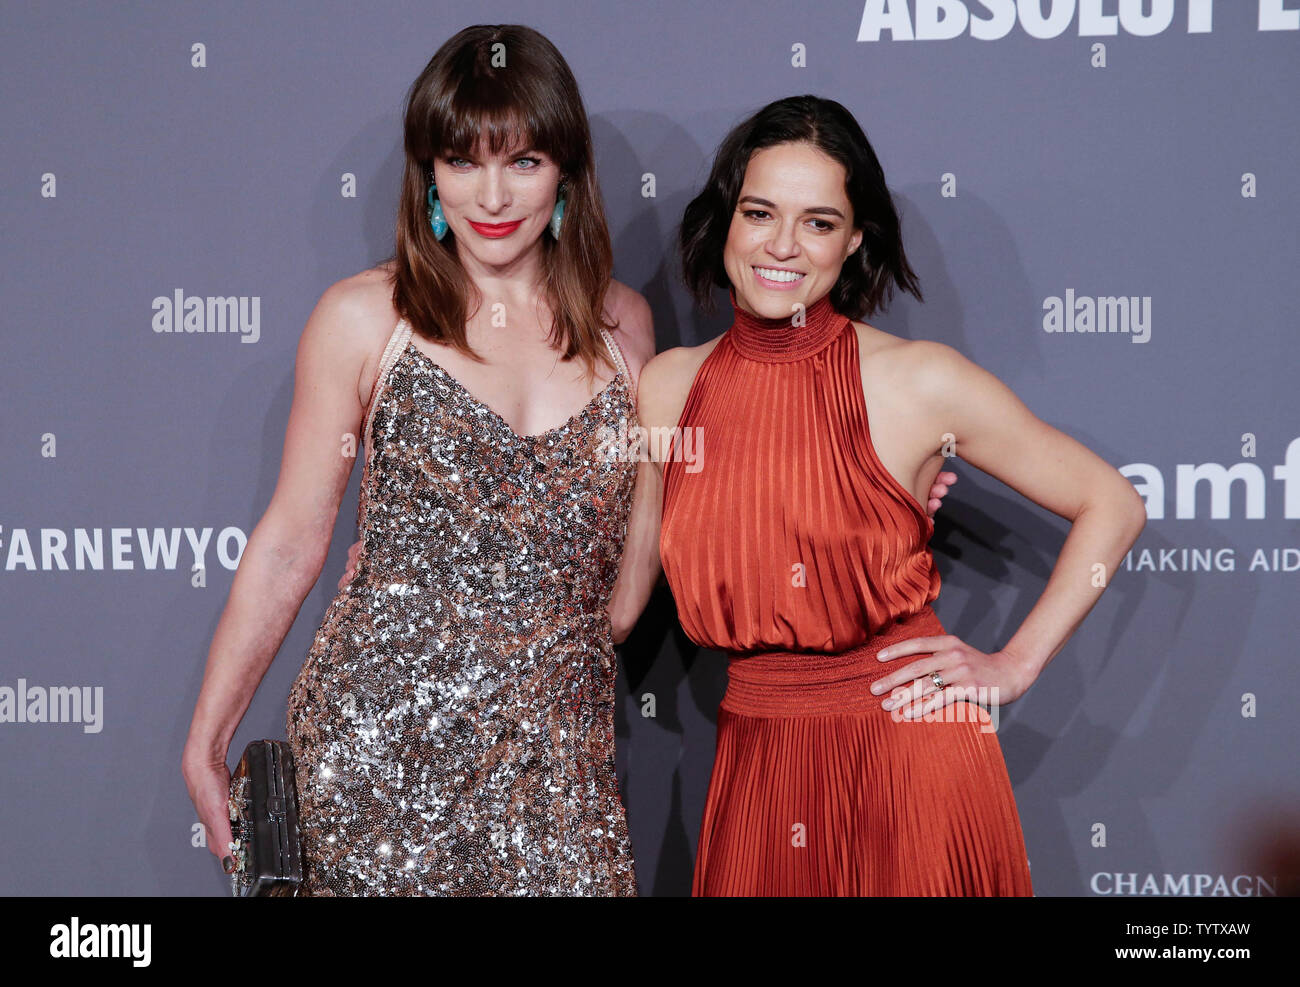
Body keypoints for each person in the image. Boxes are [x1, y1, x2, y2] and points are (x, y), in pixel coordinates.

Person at [181, 24, 661, 896]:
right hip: (379, 754)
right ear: (429, 174)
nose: (491, 194)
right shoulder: (368, 317)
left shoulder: (622, 327)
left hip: (559, 775)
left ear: (565, 176)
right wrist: (208, 738)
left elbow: (623, 600)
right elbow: (293, 538)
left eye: (523, 162)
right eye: (462, 159)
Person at [639, 95, 1148, 895]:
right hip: (755, 762)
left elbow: (1111, 503)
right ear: (726, 222)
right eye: (759, 211)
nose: (781, 245)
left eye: (817, 222)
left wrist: (1013, 664)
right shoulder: (668, 387)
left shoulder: (918, 380)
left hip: (908, 756)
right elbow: (636, 572)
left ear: (854, 240)